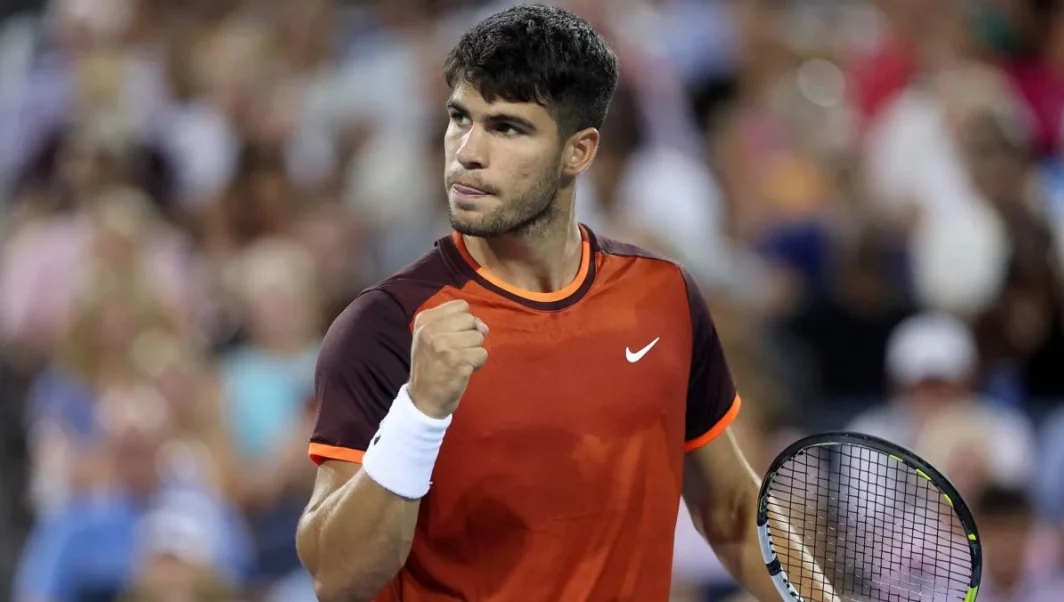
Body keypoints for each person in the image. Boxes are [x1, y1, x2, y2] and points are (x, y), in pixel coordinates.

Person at [295, 5, 833, 602]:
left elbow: (733, 513)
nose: (467, 152)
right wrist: (419, 413)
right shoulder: (386, 325)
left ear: (579, 152)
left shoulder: (665, 299)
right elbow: (336, 577)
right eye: (460, 118)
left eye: (507, 127)